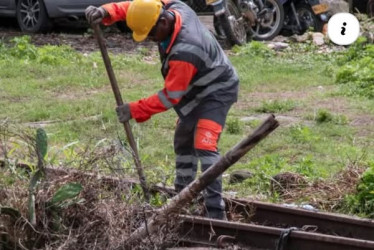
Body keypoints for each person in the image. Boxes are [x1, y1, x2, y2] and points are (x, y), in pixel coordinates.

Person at [85, 0, 239, 220]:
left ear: (164, 22)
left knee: (204, 144)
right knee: (183, 139)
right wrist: (107, 11)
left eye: (150, 34)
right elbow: (139, 7)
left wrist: (134, 109)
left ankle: (215, 212)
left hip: (218, 92)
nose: (150, 39)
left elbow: (170, 97)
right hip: (195, 90)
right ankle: (182, 199)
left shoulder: (186, 49)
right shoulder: (172, 6)